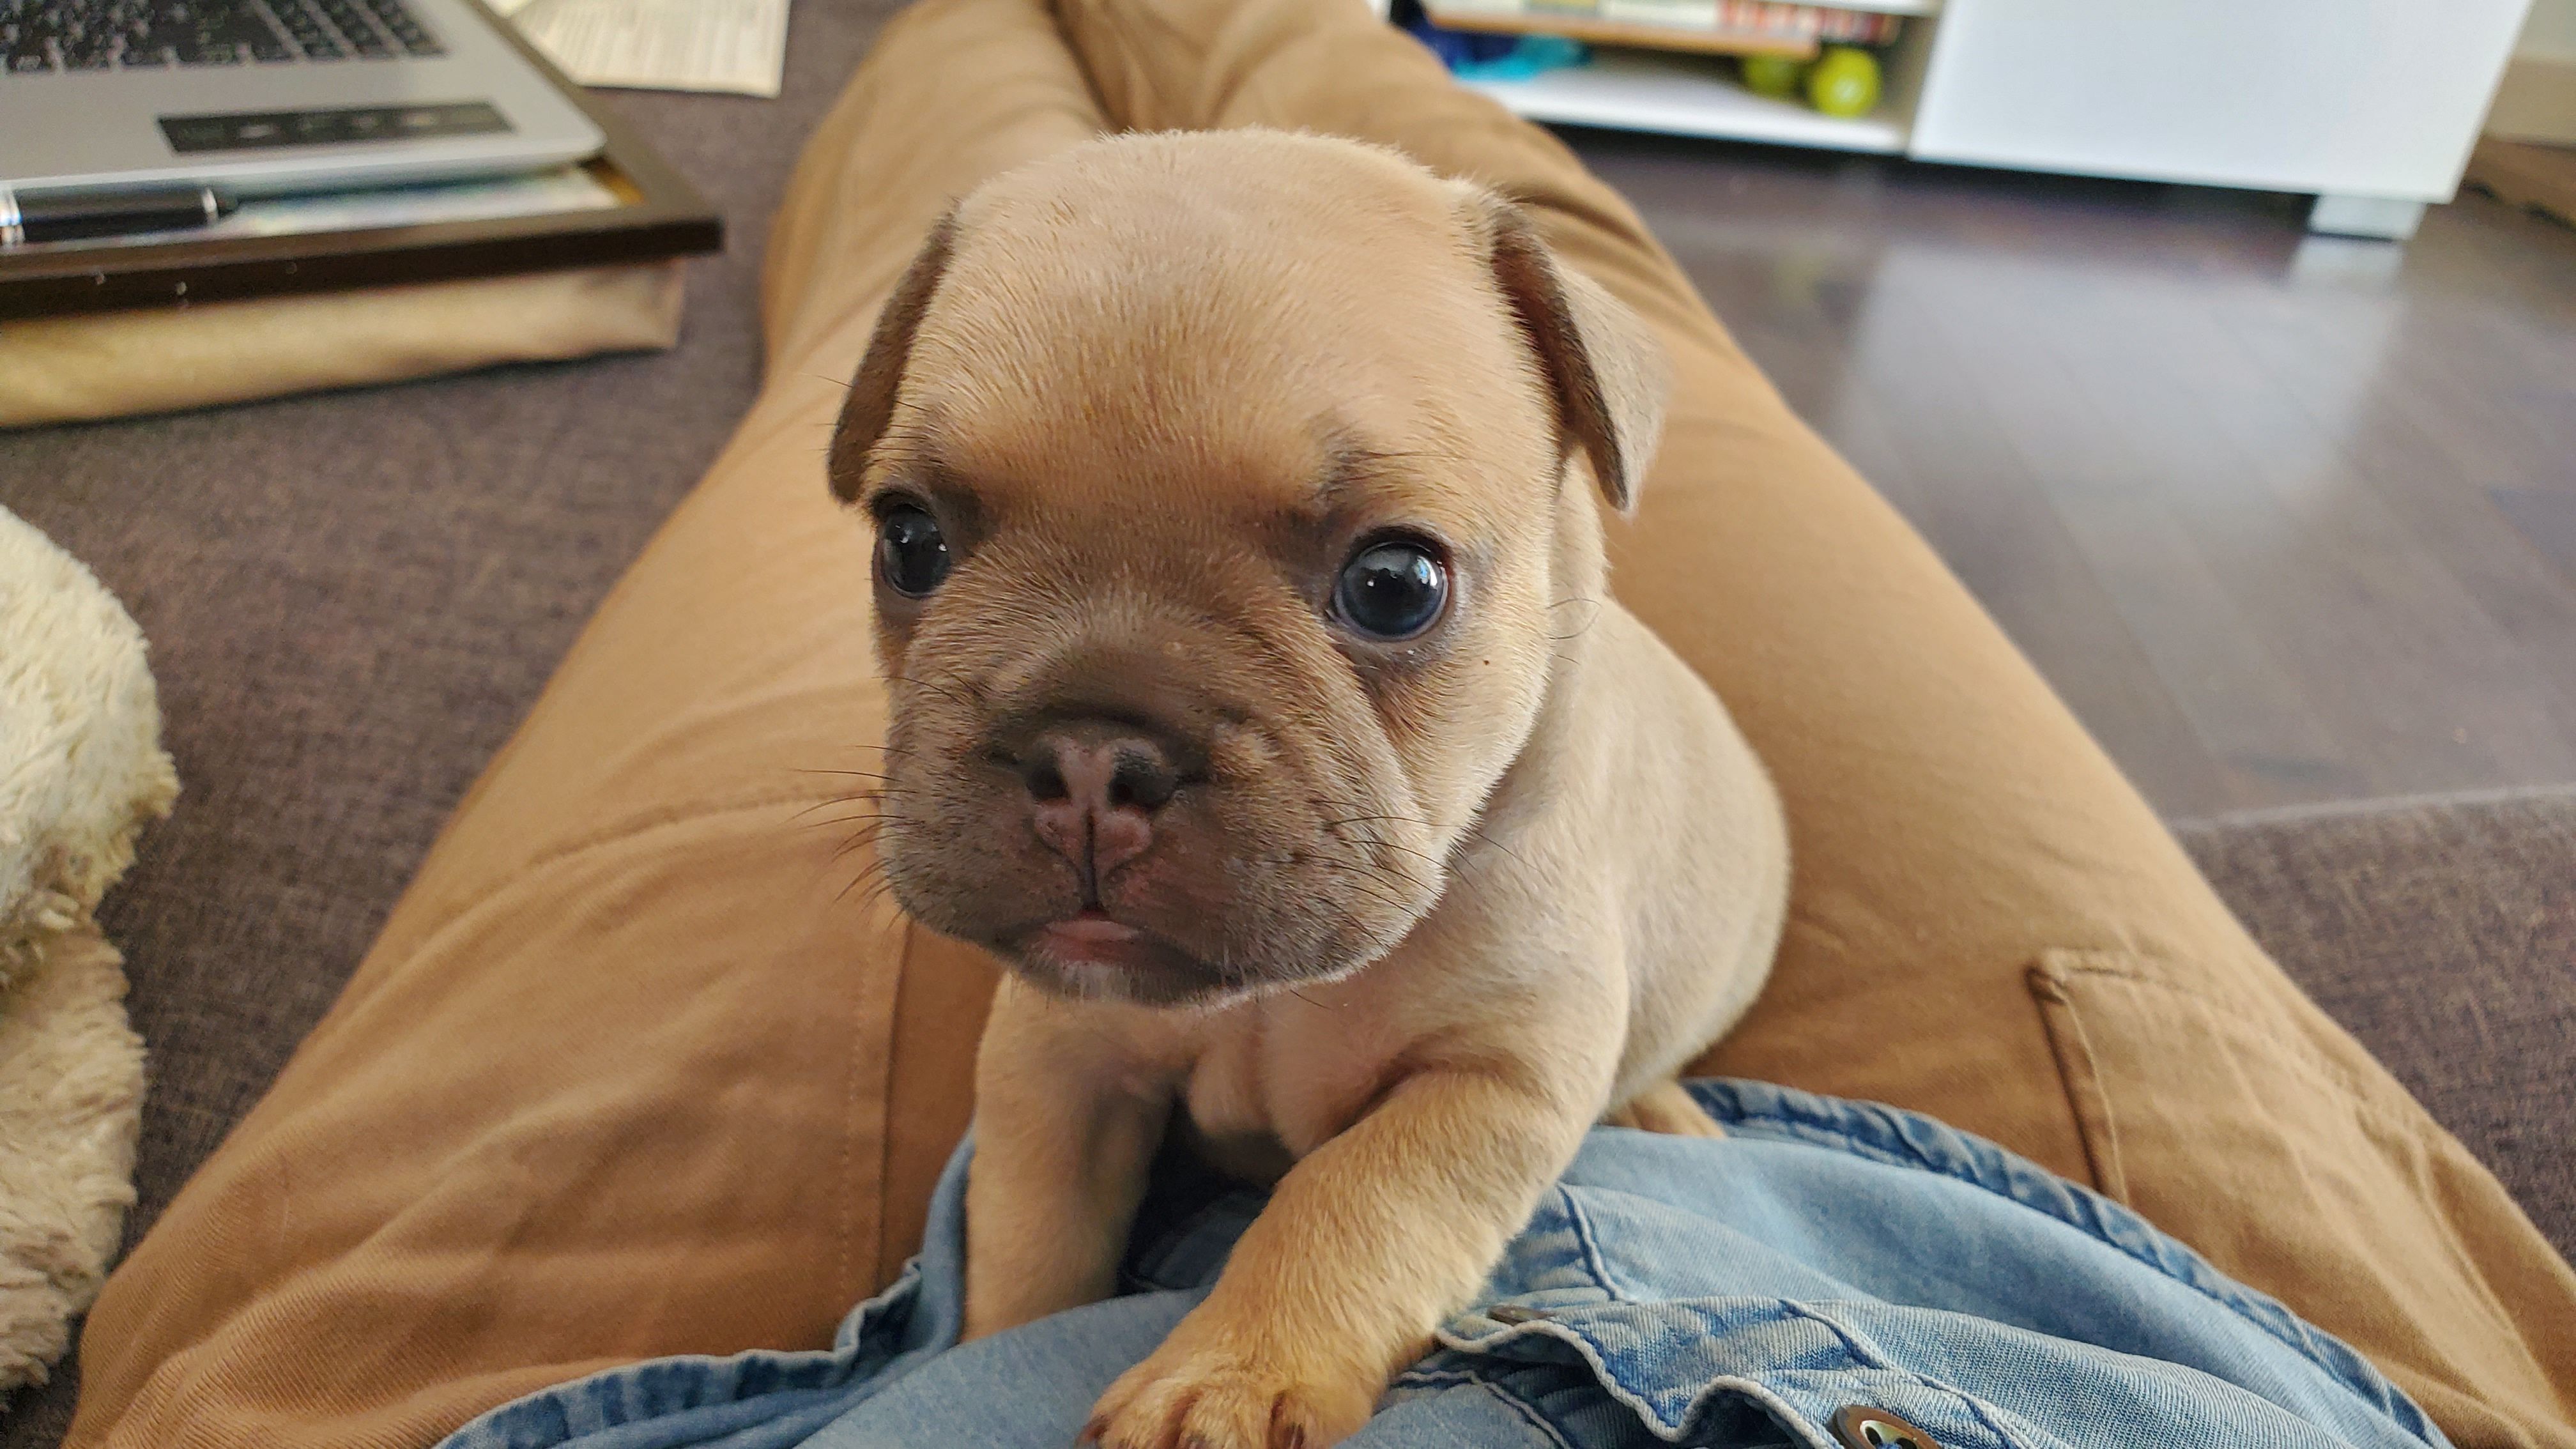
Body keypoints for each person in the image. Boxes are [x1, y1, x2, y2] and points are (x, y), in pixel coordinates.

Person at [67, 3, 2576, 1447]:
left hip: (1586, 1020)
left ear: (1592, 504)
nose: (1091, 776)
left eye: (1382, 582)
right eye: (927, 537)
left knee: (1164, 139)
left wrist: (1277, 1330)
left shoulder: (1558, 648)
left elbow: (1502, 1068)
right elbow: (1052, 1077)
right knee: (1262, 190)